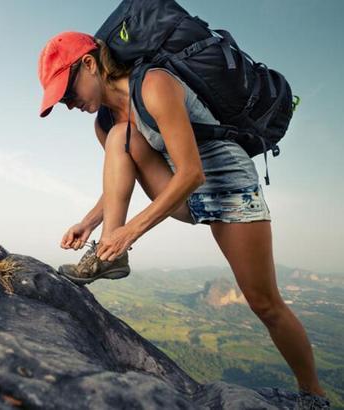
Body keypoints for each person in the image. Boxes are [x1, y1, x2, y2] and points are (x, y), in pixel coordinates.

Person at [37, 31, 331, 408]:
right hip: (178, 190)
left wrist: (132, 230)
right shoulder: (106, 121)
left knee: (264, 303)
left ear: (90, 64)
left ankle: (314, 394)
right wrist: (90, 222)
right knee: (117, 140)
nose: (67, 103)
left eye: (66, 91)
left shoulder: (155, 85)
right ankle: (109, 257)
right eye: (59, 99)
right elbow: (119, 177)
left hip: (226, 186)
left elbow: (193, 172)